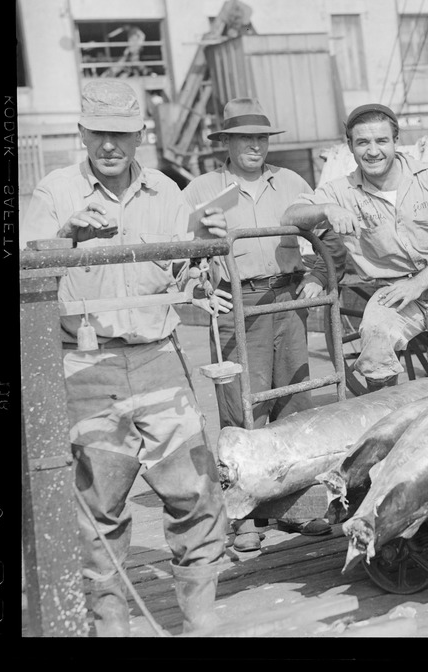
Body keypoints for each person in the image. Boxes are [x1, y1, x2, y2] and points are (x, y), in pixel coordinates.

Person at [21, 80, 230, 636]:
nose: (109, 145)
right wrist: (63, 237)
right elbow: (25, 273)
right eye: (99, 133)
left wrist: (206, 241)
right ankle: (110, 623)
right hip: (87, 364)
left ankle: (201, 616)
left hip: (159, 356)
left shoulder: (167, 190)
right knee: (99, 502)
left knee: (194, 489)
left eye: (121, 134)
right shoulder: (54, 192)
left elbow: (190, 276)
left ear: (139, 134)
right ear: (82, 133)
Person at [183, 97, 342, 551]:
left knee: (294, 399)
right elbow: (179, 252)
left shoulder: (290, 181)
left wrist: (314, 275)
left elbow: (322, 238)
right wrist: (200, 288)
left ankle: (295, 507)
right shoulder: (201, 190)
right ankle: (244, 516)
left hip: (287, 298)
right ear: (226, 143)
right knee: (240, 406)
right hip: (238, 302)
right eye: (244, 138)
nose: (254, 146)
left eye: (261, 138)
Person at [283, 103, 428, 390]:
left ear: (395, 141)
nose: (373, 151)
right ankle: (386, 408)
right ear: (350, 146)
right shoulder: (342, 190)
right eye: (363, 142)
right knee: (374, 335)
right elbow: (290, 215)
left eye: (381, 141)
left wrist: (418, 284)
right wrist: (327, 209)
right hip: (392, 291)